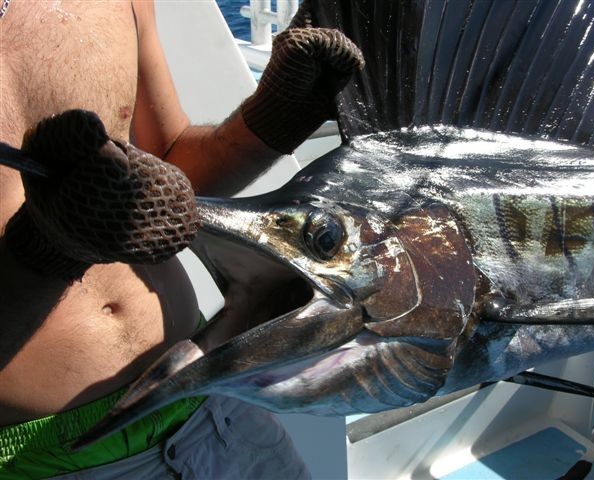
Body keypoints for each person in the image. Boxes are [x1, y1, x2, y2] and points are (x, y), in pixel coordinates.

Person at [0, 0, 363, 478]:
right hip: (51, 460)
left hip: (212, 399)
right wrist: (45, 252)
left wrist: (275, 117)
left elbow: (170, 162)